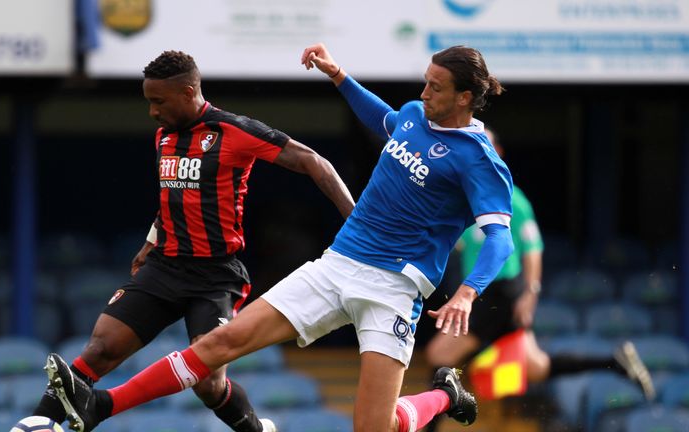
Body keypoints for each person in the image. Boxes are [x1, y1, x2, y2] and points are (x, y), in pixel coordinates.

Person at [46, 42, 515, 432]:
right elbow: (387, 121)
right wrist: (340, 77)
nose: (424, 91)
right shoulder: (415, 114)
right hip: (338, 264)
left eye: (436, 87)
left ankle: (440, 395)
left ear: (465, 97)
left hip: (394, 289)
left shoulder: (478, 160)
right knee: (216, 346)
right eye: (426, 81)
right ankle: (101, 406)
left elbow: (499, 239)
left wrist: (468, 293)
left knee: (376, 427)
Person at [32, 50, 356, 432]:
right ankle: (31, 424)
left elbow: (315, 162)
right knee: (100, 350)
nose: (153, 111)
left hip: (216, 276)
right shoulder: (163, 135)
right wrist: (152, 238)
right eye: (149, 102)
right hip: (165, 266)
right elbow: (175, 194)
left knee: (208, 383)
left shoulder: (235, 131)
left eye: (159, 102)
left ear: (188, 93)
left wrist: (357, 220)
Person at [424, 127, 655, 424]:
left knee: (438, 355)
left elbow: (533, 248)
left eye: (486, 148)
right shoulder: (469, 198)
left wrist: (530, 294)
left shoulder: (512, 199)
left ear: (498, 155)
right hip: (490, 294)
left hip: (500, 292)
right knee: (536, 367)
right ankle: (615, 361)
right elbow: (458, 242)